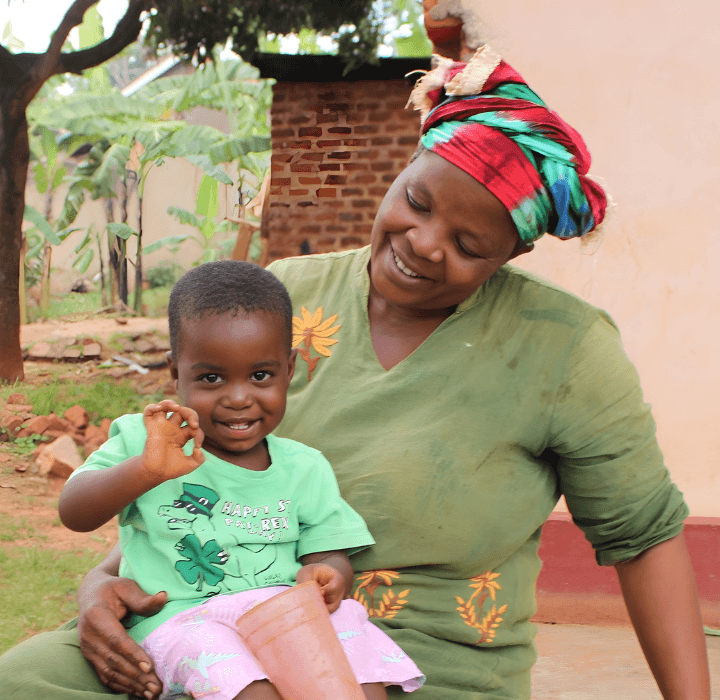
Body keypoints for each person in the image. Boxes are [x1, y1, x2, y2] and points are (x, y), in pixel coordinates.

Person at [0, 45, 710, 700]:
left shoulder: (564, 348)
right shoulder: (282, 298)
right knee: (26, 680)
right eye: (417, 202)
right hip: (206, 623)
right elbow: (202, 475)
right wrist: (104, 582)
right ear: (404, 167)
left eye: (467, 244)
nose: (423, 245)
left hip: (411, 659)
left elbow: (643, 538)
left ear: (510, 257)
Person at [56, 261, 425, 700]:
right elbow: (74, 511)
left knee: (353, 663)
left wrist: (328, 574)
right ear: (176, 373)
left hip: (285, 614)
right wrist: (145, 470)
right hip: (187, 622)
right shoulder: (147, 441)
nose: (237, 398)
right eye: (211, 378)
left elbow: (328, 552)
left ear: (289, 370)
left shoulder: (304, 467)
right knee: (252, 690)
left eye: (260, 376)